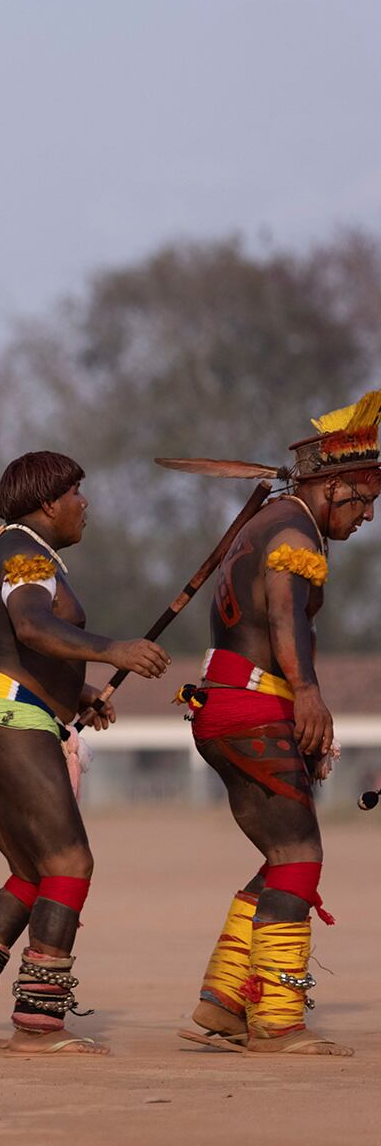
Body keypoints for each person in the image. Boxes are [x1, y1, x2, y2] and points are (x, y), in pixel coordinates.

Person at [0, 450, 168, 1056]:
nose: (86, 505)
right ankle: (38, 1022)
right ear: (49, 501)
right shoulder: (27, 553)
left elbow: (9, 649)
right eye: (78, 492)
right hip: (8, 724)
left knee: (33, 872)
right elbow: (29, 628)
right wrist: (113, 650)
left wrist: (75, 693)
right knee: (69, 862)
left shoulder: (4, 549)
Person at [176, 393, 381, 1056]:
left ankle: (224, 1000)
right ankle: (279, 1020)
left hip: (225, 706)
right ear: (335, 483)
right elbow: (286, 616)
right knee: (300, 857)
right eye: (366, 497)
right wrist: (309, 697)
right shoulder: (294, 536)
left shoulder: (262, 525)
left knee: (280, 854)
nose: (370, 513)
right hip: (254, 707)